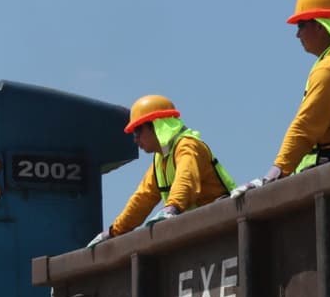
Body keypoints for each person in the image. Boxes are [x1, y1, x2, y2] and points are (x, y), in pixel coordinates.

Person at [233, 0, 330, 196]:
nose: (297, 35)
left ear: (320, 26)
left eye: (301, 25)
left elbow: (307, 124)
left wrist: (277, 170)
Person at [88, 94, 235, 247]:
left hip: (224, 225)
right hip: (203, 231)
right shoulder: (161, 160)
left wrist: (172, 208)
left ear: (157, 125)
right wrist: (114, 232)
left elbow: (186, 179)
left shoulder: (188, 146)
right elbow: (143, 198)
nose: (135, 139)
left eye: (138, 130)